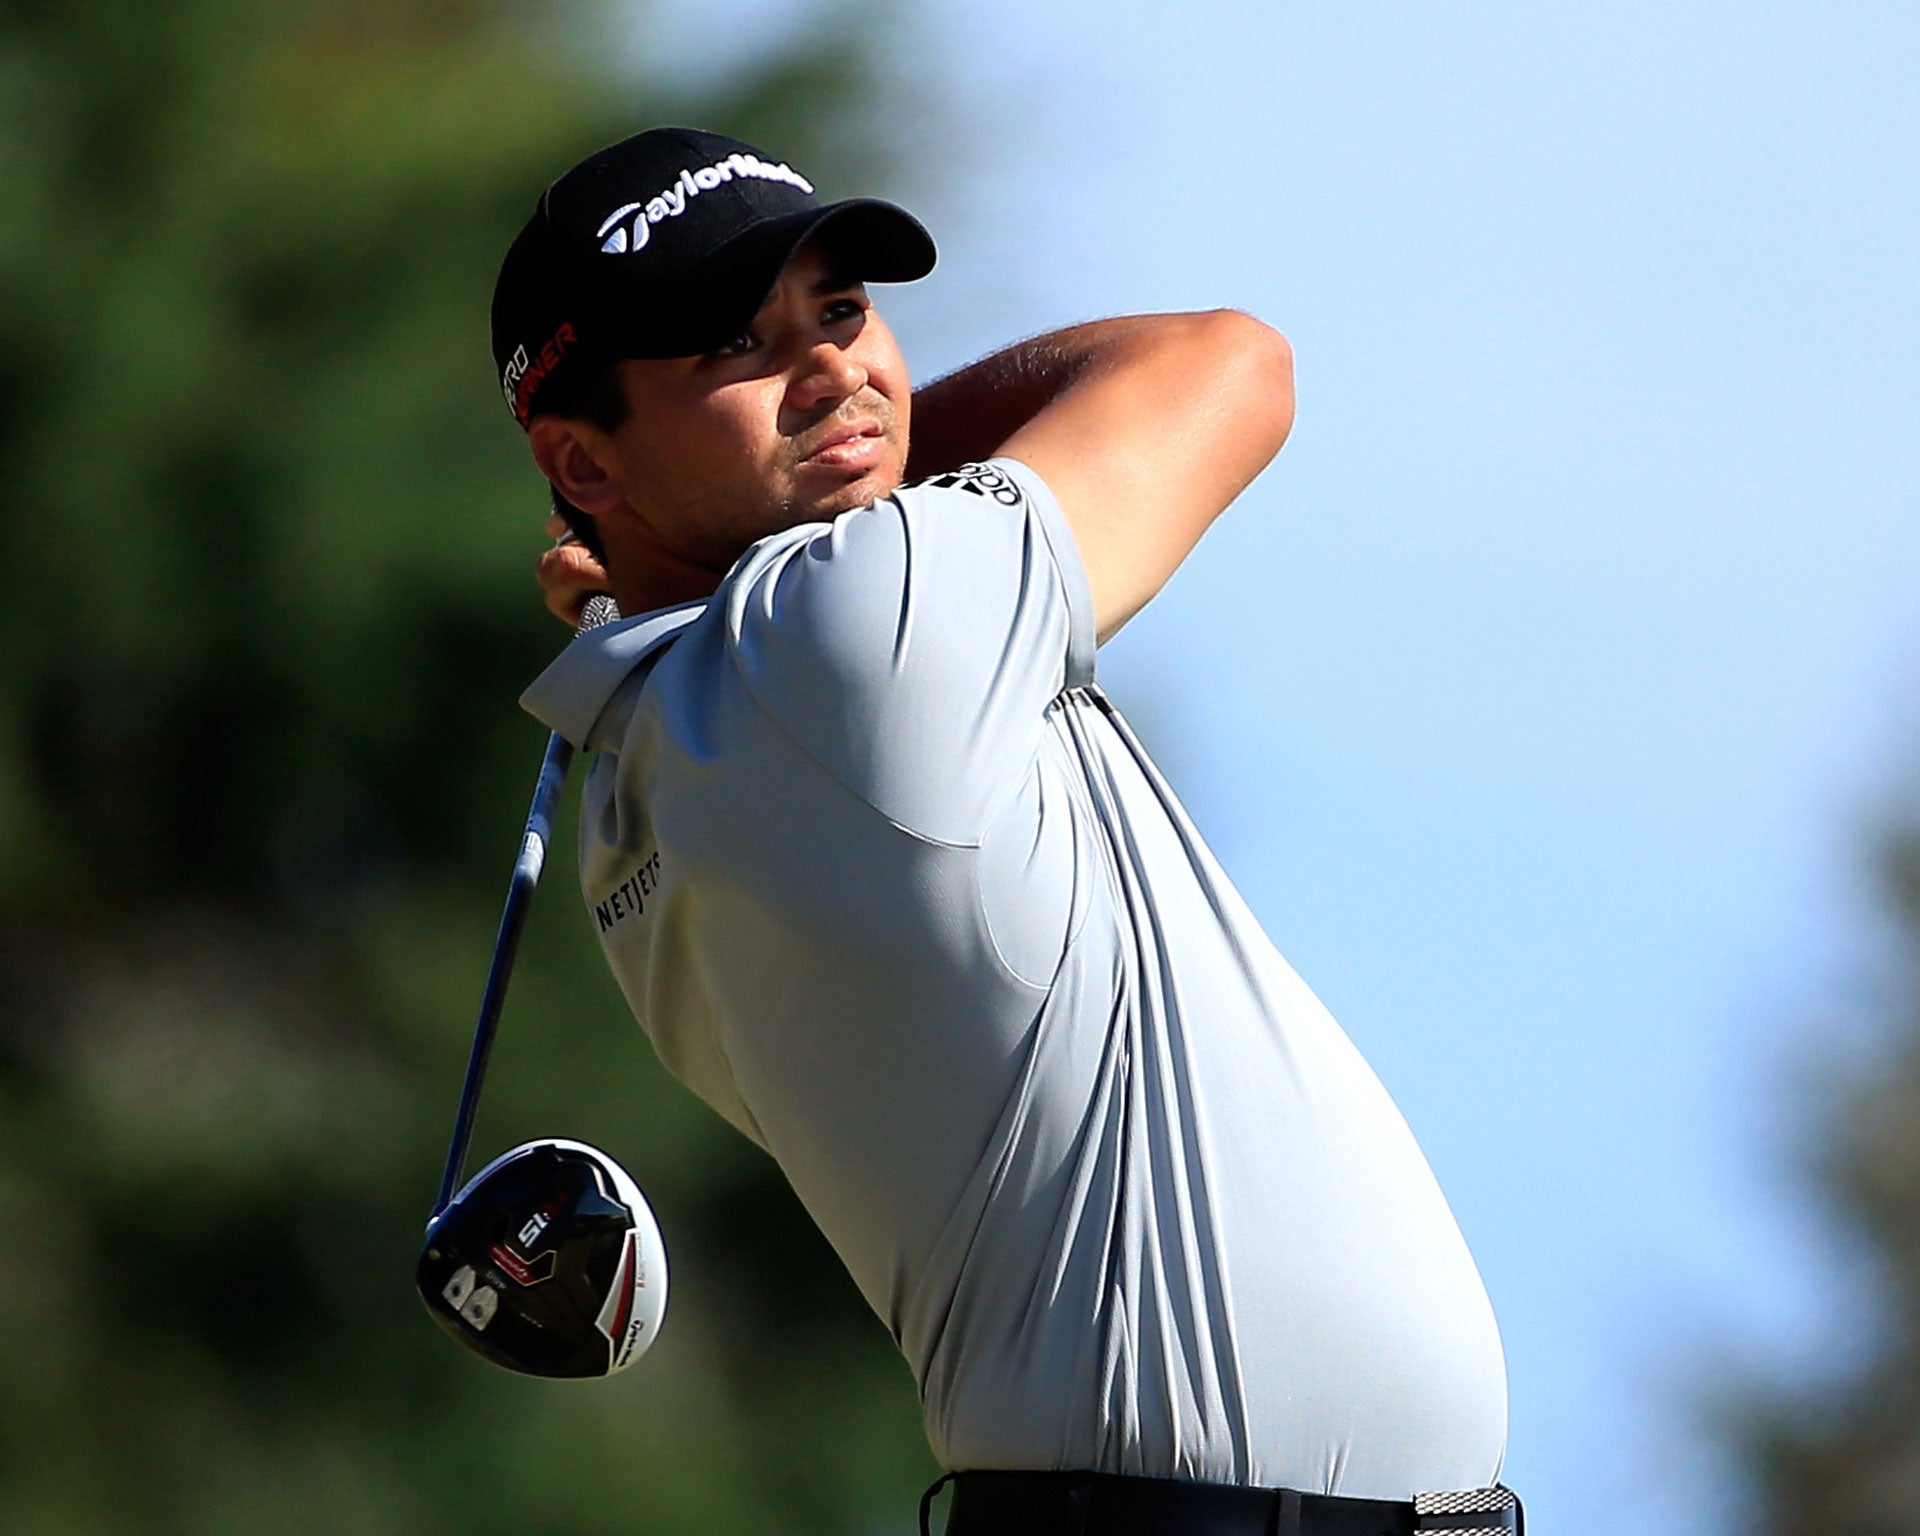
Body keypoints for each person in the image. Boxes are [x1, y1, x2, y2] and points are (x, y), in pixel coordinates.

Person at [497, 127, 1519, 1536]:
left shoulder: (642, 780)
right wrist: (873, 454)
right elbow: (1232, 363)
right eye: (738, 344)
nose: (834, 368)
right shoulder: (839, 631)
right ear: (582, 463)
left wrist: (756, 489)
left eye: (842, 311)